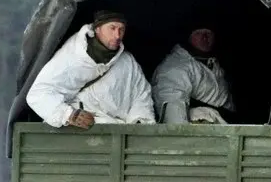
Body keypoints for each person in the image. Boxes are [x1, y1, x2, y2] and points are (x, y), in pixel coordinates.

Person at [26, 10, 156, 129]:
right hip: (79, 134)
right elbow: (38, 94)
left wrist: (140, 123)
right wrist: (69, 115)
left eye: (121, 30)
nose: (117, 35)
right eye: (112, 28)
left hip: (118, 132)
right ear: (97, 29)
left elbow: (141, 95)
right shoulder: (73, 56)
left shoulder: (127, 62)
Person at [151, 27, 235, 124]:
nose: (204, 37)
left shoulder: (215, 63)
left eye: (208, 33)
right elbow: (173, 112)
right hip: (198, 128)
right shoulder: (174, 67)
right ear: (188, 37)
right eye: (198, 33)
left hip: (226, 126)